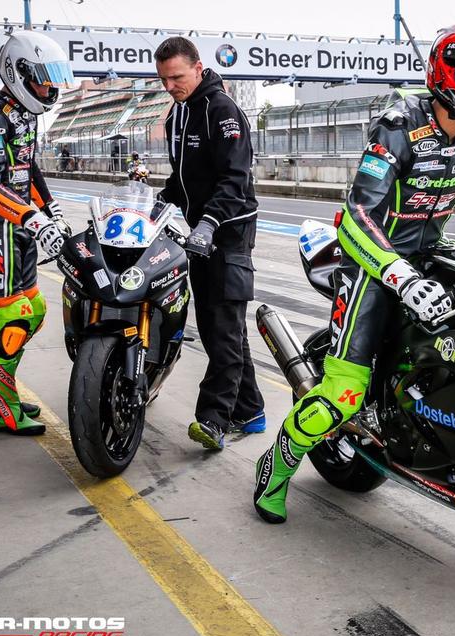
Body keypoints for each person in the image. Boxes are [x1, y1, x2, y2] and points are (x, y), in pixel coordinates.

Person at [253, 23, 455, 523]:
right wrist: (402, 276)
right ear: (447, 77)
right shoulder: (397, 124)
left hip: (432, 251)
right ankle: (275, 469)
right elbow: (359, 215)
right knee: (341, 396)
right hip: (371, 261)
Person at [0, 31, 74, 435]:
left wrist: (50, 207)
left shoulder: (25, 112)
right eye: (44, 78)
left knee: (34, 312)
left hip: (20, 225)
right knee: (13, 314)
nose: (51, 87)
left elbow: (26, 167)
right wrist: (34, 220)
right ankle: (1, 410)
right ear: (18, 71)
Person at [154, 36, 265, 450]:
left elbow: (235, 180)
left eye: (177, 77)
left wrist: (209, 223)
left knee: (221, 326)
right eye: (164, 79)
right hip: (195, 233)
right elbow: (183, 180)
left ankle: (213, 420)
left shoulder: (222, 111)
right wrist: (159, 203)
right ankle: (250, 411)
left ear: (198, 68)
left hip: (229, 233)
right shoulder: (176, 115)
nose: (170, 86)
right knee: (223, 326)